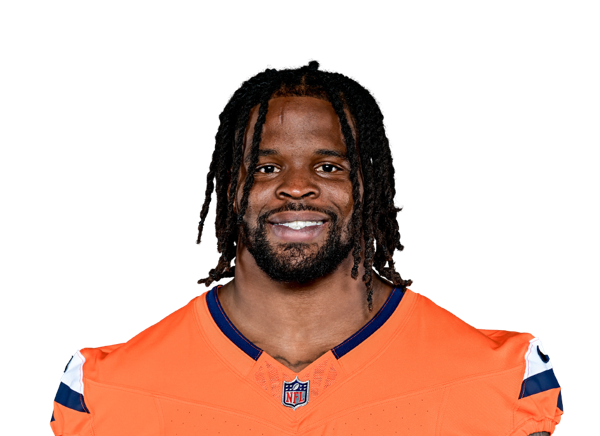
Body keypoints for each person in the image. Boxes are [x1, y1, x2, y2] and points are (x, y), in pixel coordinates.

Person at [50, 61, 563, 435]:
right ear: (230, 189)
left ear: (370, 187)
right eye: (266, 167)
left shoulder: (505, 379)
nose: (297, 187)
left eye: (328, 167)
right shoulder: (104, 391)